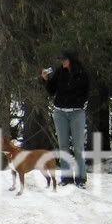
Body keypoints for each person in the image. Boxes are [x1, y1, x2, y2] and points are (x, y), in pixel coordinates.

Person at [40, 49, 89, 187]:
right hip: (60, 112)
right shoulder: (59, 72)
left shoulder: (81, 73)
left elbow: (86, 92)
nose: (62, 62)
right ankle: (66, 177)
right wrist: (45, 80)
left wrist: (79, 103)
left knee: (78, 147)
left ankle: (80, 178)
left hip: (76, 113)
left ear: (71, 59)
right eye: (61, 60)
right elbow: (51, 91)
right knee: (63, 146)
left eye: (64, 59)